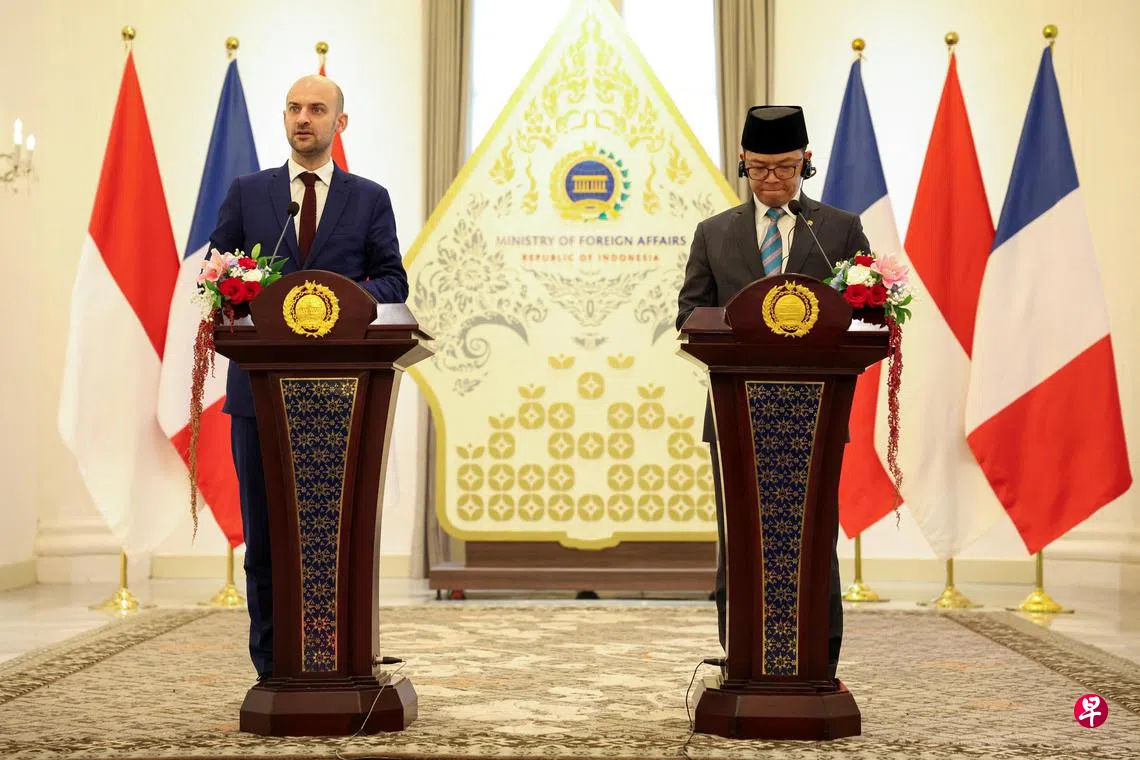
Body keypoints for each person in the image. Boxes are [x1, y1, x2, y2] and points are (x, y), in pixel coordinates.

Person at [209, 74, 409, 681]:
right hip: (260, 397)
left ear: (339, 123)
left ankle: (339, 660)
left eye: (317, 109)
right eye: (295, 108)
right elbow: (218, 272)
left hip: (342, 400)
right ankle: (273, 668)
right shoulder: (249, 193)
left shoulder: (369, 198)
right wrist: (247, 289)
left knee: (333, 537)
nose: (304, 118)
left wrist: (329, 298)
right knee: (267, 538)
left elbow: (393, 281)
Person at [675, 105, 869, 680]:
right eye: (759, 169)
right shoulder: (714, 233)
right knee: (740, 534)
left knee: (813, 534)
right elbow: (689, 314)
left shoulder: (838, 229)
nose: (772, 180)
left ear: (806, 161)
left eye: (784, 167)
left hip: (816, 413)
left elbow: (865, 310)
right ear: (743, 163)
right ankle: (740, 656)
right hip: (737, 414)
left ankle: (818, 661)